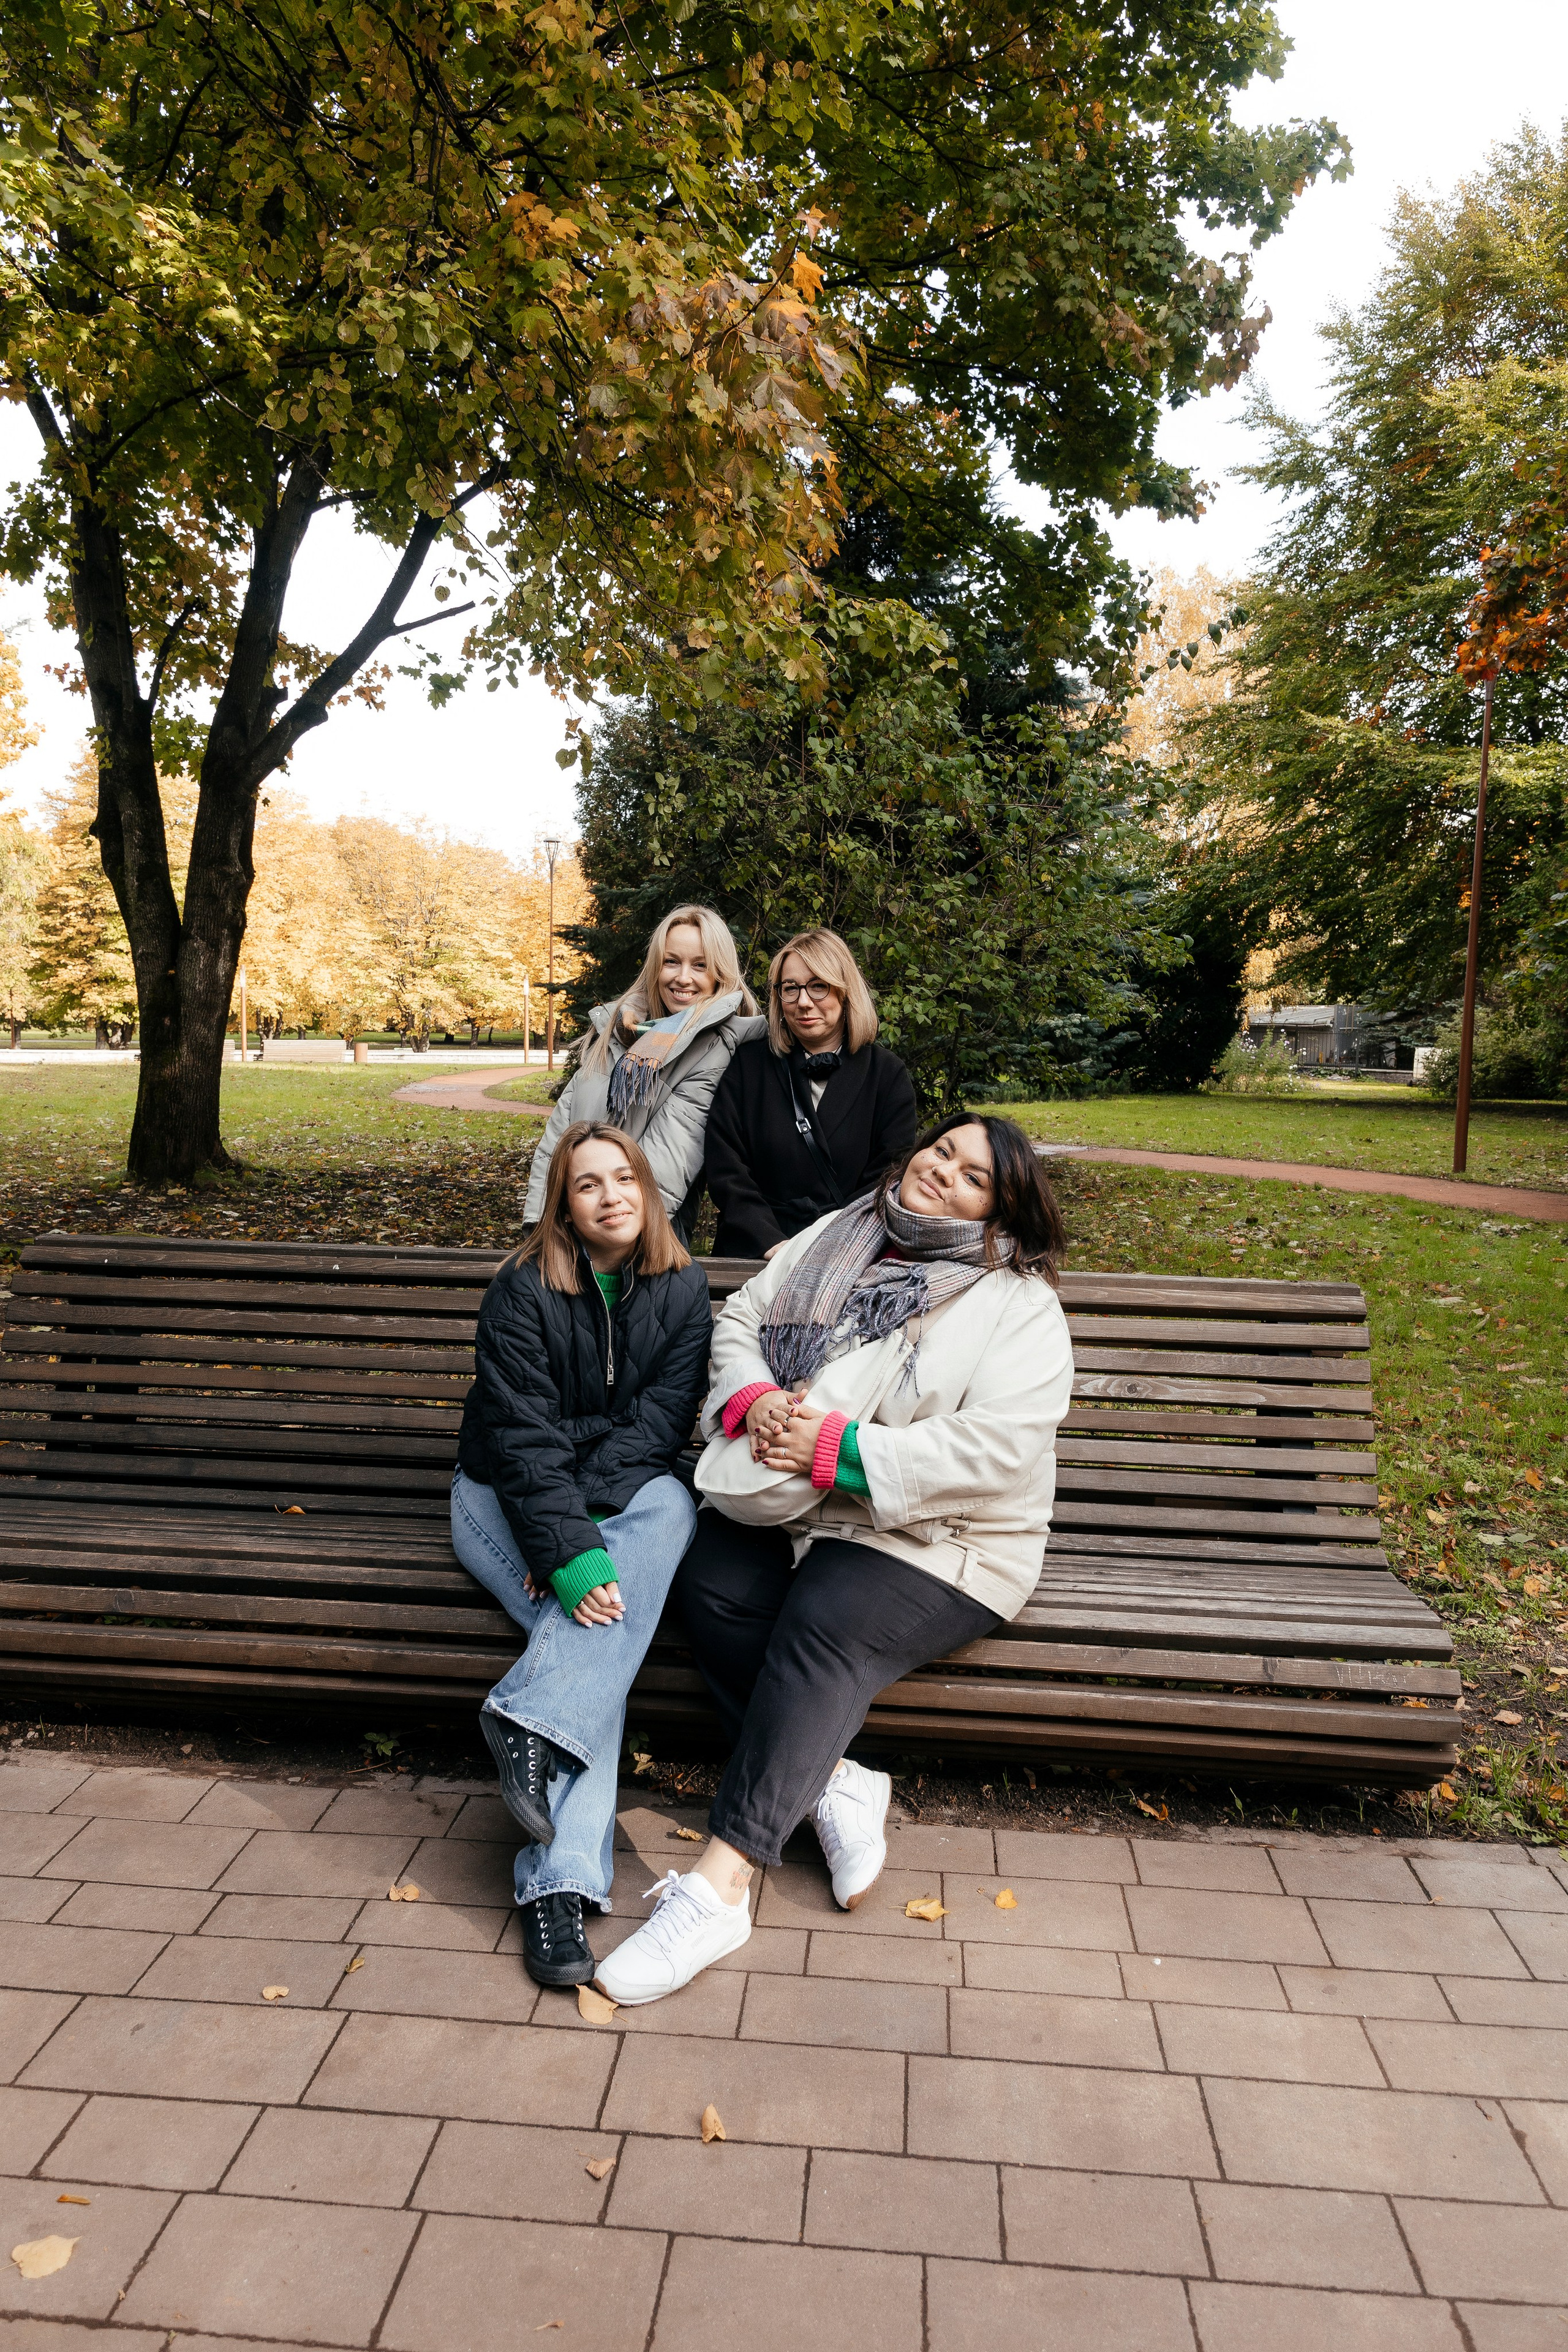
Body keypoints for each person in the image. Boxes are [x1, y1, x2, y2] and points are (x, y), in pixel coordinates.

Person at [594, 1113, 1073, 2005]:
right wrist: (753, 1399)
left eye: (974, 1176)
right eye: (942, 1150)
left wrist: (839, 1451)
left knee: (823, 1623)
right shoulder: (839, 1232)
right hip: (804, 1509)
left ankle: (720, 1888)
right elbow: (743, 1319)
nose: (944, 1172)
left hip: (945, 1538)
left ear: (1001, 1214)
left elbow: (999, 1451)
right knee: (708, 1580)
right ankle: (837, 1781)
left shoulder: (1020, 1306)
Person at [451, 1121, 711, 1989]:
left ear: (649, 1189)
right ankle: (557, 1888)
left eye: (624, 1178)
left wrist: (579, 1541)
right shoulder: (521, 1288)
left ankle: (527, 1724)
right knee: (602, 1635)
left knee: (668, 1503)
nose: (610, 1196)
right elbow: (520, 1439)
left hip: (599, 1499)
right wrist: (562, 1548)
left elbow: (656, 1430)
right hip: (498, 1495)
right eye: (588, 1183)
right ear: (563, 1204)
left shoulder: (683, 1289)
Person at [525, 905, 764, 1239]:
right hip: (571, 1228)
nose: (683, 977)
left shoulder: (718, 1048)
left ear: (719, 974)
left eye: (700, 965)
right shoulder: (619, 1032)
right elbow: (557, 1141)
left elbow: (668, 1158)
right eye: (671, 962)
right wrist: (540, 1227)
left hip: (644, 1234)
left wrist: (611, 1240)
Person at [702, 927, 919, 1260]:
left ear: (845, 991)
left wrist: (825, 1244)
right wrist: (771, 1242)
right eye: (791, 988)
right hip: (754, 1251)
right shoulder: (748, 1065)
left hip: (843, 1254)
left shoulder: (887, 1075)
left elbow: (888, 1177)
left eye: (819, 986)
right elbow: (725, 1166)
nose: (803, 1002)